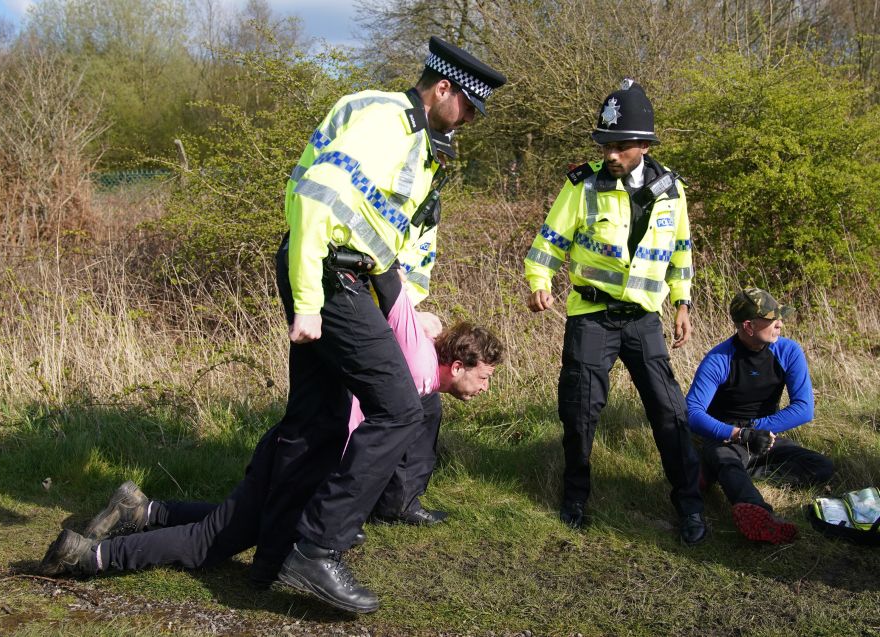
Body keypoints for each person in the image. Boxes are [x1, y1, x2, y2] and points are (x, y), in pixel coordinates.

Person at [38, 280, 504, 594]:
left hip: (303, 441)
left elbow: (400, 304)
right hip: (304, 449)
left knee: (240, 524)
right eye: (482, 379)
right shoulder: (420, 372)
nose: (484, 391)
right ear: (457, 366)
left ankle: (141, 510)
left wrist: (431, 321)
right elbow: (396, 289)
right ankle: (89, 556)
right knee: (210, 541)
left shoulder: (416, 354)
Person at [270, 35, 504, 613]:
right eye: (469, 107)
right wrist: (306, 300)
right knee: (400, 407)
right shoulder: (385, 121)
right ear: (442, 89)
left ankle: (272, 540)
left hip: (352, 278)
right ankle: (317, 549)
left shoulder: (422, 142)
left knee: (315, 418)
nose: (471, 120)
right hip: (326, 271)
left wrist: (405, 307)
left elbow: (400, 239)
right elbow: (313, 201)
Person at [523, 79, 706, 545]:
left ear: (642, 146)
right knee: (580, 410)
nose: (609, 154)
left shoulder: (671, 191)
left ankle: (690, 504)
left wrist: (682, 300)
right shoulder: (583, 186)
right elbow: (550, 240)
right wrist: (539, 281)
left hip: (644, 320)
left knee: (669, 411)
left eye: (619, 146)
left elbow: (681, 249)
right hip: (591, 315)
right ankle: (575, 499)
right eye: (604, 144)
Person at [686, 287, 833, 544]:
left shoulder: (788, 351)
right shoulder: (719, 359)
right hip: (727, 436)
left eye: (779, 317)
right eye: (772, 319)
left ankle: (720, 473)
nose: (780, 323)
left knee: (821, 467)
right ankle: (760, 514)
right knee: (727, 460)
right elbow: (693, 411)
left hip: (765, 434)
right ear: (749, 326)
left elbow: (804, 409)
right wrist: (740, 434)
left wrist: (756, 429)